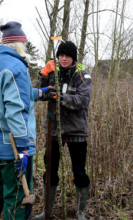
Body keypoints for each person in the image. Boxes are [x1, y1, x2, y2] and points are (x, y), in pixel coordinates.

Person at [0, 21, 49, 220]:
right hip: (13, 150)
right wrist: (23, 149)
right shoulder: (16, 67)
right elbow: (15, 111)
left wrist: (38, 94)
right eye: (24, 44)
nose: (26, 48)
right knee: (16, 200)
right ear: (19, 45)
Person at [35, 41, 92, 220]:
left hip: (76, 131)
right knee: (50, 170)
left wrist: (59, 96)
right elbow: (38, 93)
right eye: (60, 56)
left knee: (79, 171)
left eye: (67, 56)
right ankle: (48, 211)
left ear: (73, 58)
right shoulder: (54, 73)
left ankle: (81, 212)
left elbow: (82, 101)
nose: (63, 59)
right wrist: (43, 75)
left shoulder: (83, 75)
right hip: (54, 129)